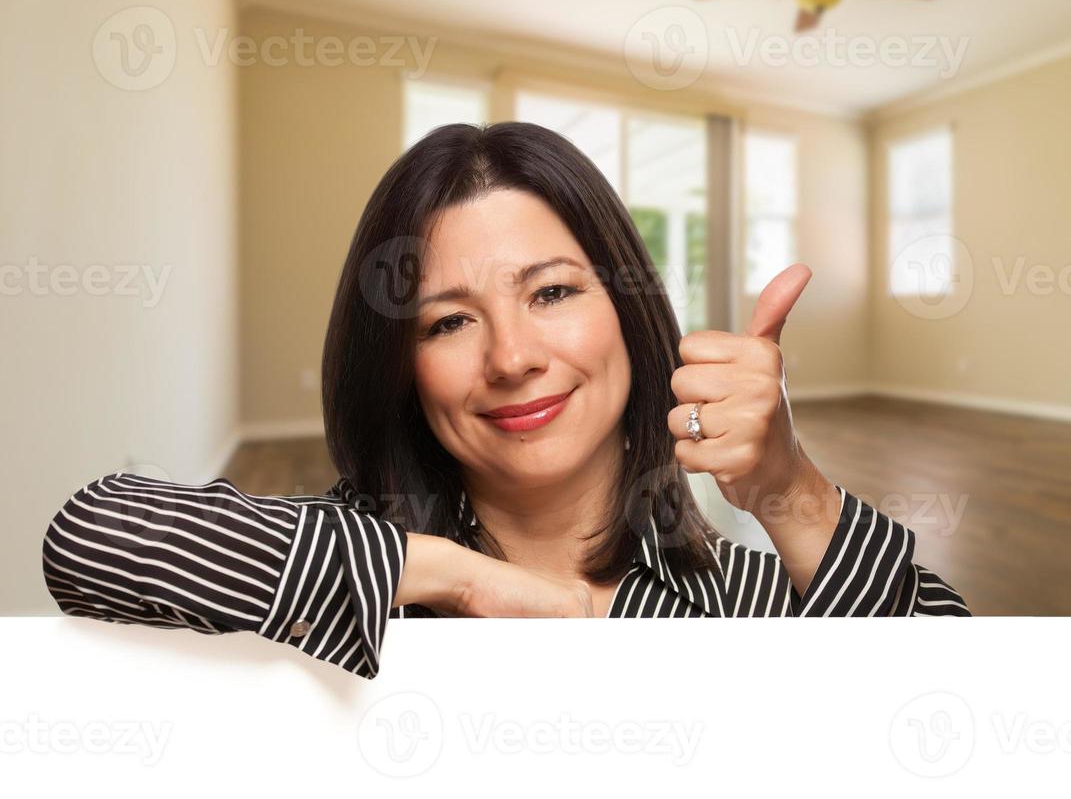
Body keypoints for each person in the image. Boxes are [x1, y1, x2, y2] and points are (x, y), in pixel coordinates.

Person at [41, 122, 970, 680]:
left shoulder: (748, 601)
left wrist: (787, 490)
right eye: (448, 322)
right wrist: (474, 581)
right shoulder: (350, 580)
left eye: (553, 292)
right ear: (401, 365)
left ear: (628, 313)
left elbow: (966, 703)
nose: (512, 357)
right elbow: (93, 539)